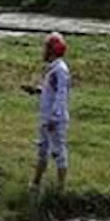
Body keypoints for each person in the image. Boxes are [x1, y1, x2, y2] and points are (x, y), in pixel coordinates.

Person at [31, 32, 71, 191]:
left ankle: (60, 188)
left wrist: (55, 118)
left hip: (54, 120)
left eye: (45, 48)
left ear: (51, 50)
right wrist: (38, 90)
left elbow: (62, 95)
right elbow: (52, 91)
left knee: (58, 152)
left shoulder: (60, 70)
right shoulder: (53, 69)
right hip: (46, 118)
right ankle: (35, 184)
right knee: (42, 150)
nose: (43, 51)